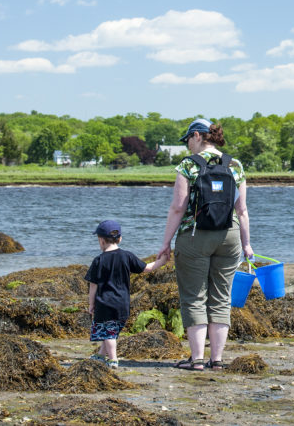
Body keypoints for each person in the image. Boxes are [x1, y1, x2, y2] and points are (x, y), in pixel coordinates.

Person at [156, 118, 253, 371]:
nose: (188, 145)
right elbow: (242, 210)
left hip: (195, 235)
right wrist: (247, 244)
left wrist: (165, 243)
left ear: (198, 136)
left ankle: (197, 359)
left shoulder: (188, 165)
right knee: (221, 298)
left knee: (194, 297)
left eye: (188, 139)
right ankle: (217, 360)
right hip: (229, 235)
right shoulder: (235, 164)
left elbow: (178, 207)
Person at [86, 219, 167, 369]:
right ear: (120, 239)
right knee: (111, 330)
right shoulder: (127, 256)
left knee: (108, 333)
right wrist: (162, 261)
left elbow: (93, 285)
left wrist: (91, 303)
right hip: (123, 303)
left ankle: (113, 359)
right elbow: (147, 268)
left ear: (101, 240)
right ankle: (101, 355)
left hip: (105, 303)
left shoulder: (99, 260)